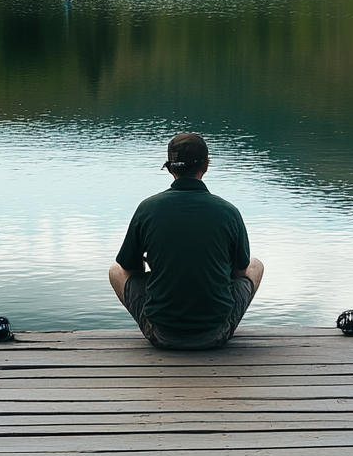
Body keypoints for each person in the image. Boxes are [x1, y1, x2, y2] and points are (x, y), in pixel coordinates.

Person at [108, 131, 265, 349]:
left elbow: (129, 268)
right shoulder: (229, 212)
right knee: (254, 265)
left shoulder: (147, 209)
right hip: (215, 334)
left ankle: (161, 321)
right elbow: (239, 273)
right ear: (206, 165)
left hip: (162, 335)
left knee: (115, 270)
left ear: (170, 168)